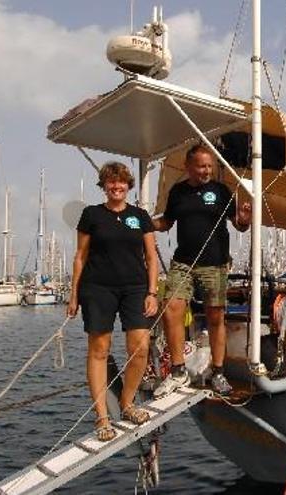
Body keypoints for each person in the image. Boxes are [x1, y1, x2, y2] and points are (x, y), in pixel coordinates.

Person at [67, 161, 159, 442]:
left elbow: (151, 257)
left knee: (140, 347)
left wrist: (152, 292)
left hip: (135, 288)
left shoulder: (140, 216)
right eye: (110, 182)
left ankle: (127, 403)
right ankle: (102, 416)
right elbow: (80, 256)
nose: (116, 186)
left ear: (128, 185)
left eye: (120, 182)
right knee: (99, 349)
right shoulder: (91, 214)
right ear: (104, 186)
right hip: (98, 288)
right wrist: (73, 295)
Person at [152, 144, 251, 397]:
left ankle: (218, 372)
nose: (207, 171)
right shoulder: (177, 192)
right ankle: (177, 371)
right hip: (183, 261)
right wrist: (145, 222)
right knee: (171, 308)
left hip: (214, 263)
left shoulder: (220, 191)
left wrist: (245, 217)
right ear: (188, 167)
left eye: (210, 166)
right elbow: (166, 223)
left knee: (215, 317)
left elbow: (239, 226)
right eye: (201, 166)